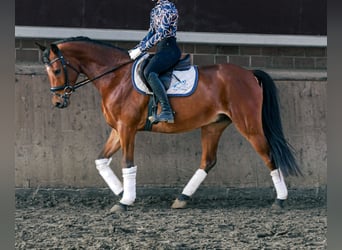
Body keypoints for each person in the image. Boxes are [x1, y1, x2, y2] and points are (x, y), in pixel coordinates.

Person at [128, 0, 181, 123]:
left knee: (150, 71)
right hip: (161, 48)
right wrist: (137, 47)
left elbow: (161, 34)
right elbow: (151, 32)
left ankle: (167, 111)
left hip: (170, 49)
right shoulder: (155, 9)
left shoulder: (168, 8)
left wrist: (142, 49)